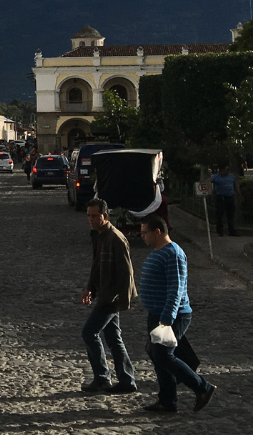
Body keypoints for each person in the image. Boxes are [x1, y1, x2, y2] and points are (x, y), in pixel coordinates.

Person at [138, 216, 216, 413]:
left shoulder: (173, 254)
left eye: (145, 232)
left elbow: (176, 288)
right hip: (156, 313)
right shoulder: (159, 252)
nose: (143, 237)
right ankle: (167, 400)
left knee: (163, 355)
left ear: (158, 231)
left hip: (172, 315)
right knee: (157, 356)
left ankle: (202, 387)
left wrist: (168, 317)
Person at [80, 200, 137, 394]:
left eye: (95, 216)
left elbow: (126, 273)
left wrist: (121, 302)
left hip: (111, 298)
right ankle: (127, 380)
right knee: (113, 337)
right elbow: (97, 265)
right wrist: (90, 289)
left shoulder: (116, 238)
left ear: (105, 216)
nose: (91, 219)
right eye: (89, 215)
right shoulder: (98, 236)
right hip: (104, 294)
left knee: (89, 332)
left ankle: (102, 377)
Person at [209, 165, 240, 236]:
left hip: (230, 197)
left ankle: (231, 231)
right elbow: (209, 180)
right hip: (221, 197)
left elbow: (235, 185)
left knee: (231, 215)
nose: (228, 171)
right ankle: (220, 231)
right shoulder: (216, 177)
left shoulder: (231, 176)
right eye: (227, 169)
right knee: (219, 215)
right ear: (221, 171)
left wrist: (239, 195)